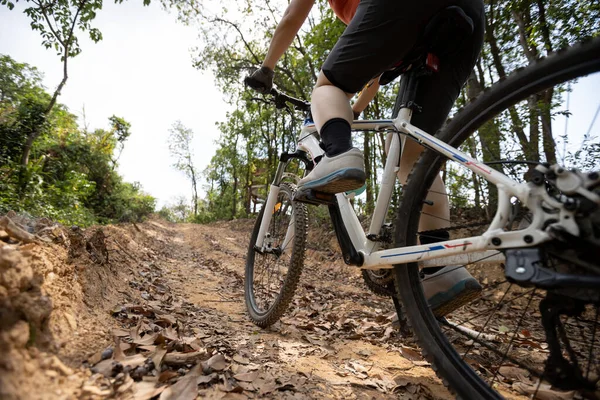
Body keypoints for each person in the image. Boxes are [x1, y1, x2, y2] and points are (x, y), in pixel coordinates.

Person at [245, 0, 484, 317]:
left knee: (327, 88)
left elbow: (292, 16)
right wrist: (352, 110)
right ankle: (439, 265)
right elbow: (375, 73)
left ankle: (339, 151)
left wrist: (267, 68)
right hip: (469, 18)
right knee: (409, 155)